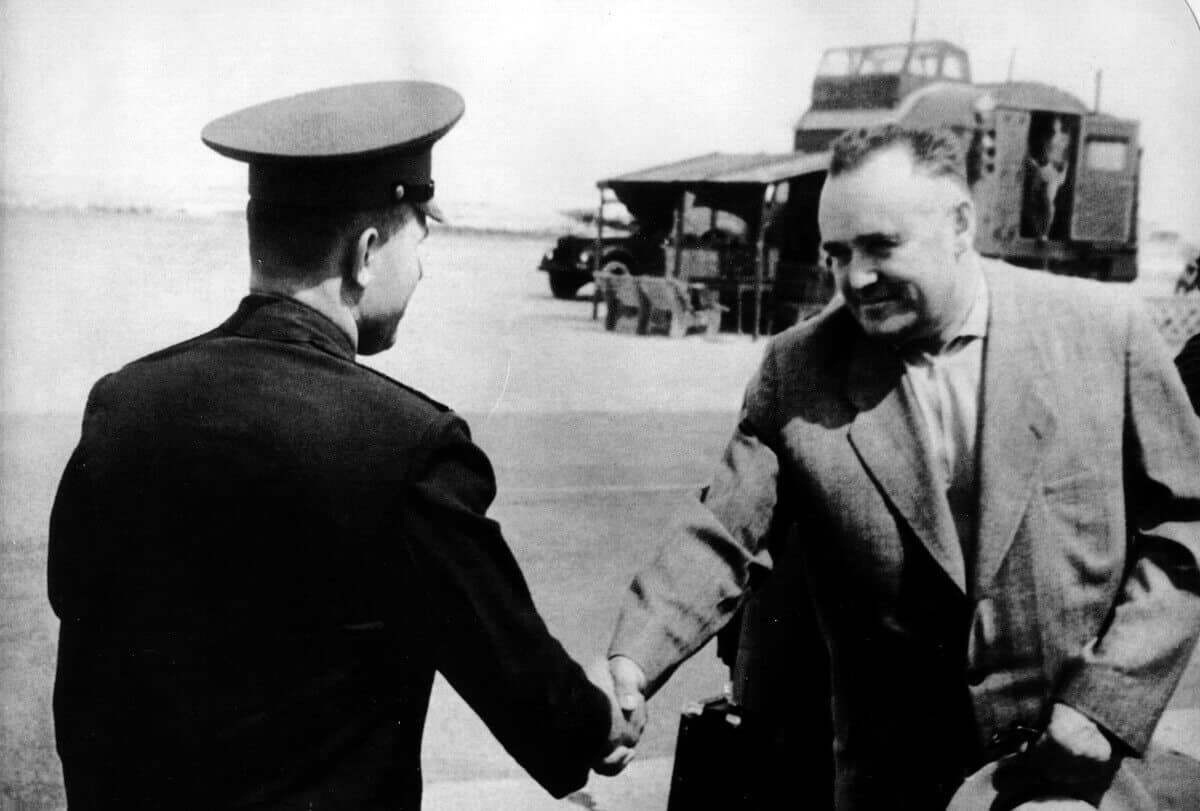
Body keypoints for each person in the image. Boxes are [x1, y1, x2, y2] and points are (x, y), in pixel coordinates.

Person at [48, 81, 635, 810]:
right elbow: (542, 705)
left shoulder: (122, 403)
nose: (422, 269)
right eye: (419, 239)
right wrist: (602, 716)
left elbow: (81, 634)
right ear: (364, 254)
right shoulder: (410, 449)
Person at [605, 124, 1200, 810]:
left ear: (960, 224)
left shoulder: (1106, 331)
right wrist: (631, 662)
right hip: (895, 788)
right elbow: (720, 537)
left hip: (1076, 782)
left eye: (881, 246)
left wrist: (1107, 702)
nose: (854, 278)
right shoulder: (797, 369)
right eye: (836, 254)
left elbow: (1187, 521)